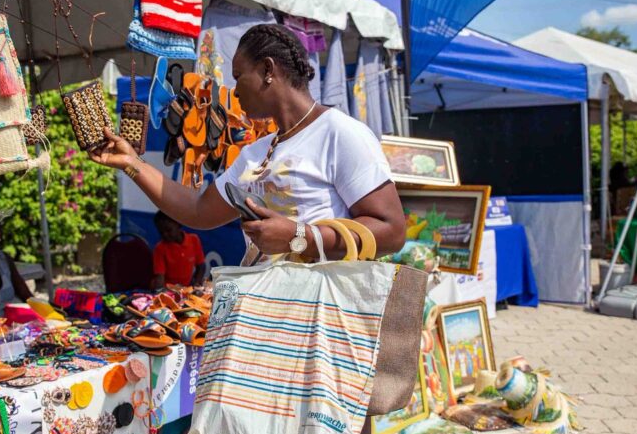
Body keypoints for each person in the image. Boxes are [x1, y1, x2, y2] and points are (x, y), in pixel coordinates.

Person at [89, 23, 405, 266]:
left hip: (321, 319)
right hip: (271, 320)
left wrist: (300, 237)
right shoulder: (257, 151)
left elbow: (391, 231)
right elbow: (199, 210)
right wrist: (133, 164)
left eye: (239, 76)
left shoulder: (339, 133)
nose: (234, 91)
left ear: (268, 70)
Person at [152, 211, 206, 288]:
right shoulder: (160, 248)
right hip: (168, 290)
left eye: (168, 230)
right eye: (161, 232)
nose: (165, 234)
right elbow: (160, 277)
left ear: (178, 224)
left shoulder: (194, 240)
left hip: (187, 288)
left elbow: (201, 266)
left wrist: (196, 284)